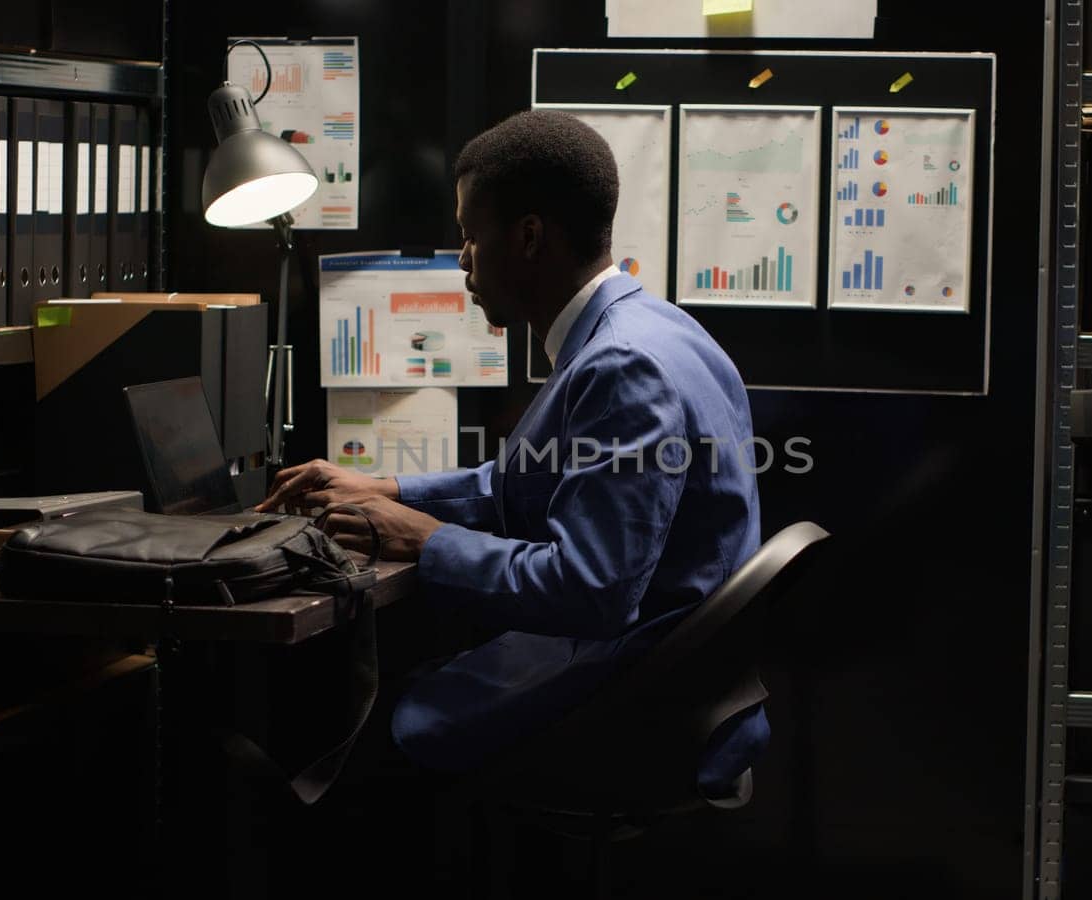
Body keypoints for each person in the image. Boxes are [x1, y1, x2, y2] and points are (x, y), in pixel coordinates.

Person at [258, 109, 768, 798]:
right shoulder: (657, 327)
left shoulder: (623, 366)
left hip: (638, 694)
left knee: (375, 725)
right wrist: (388, 491)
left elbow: (592, 589)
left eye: (471, 236)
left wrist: (429, 541)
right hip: (669, 672)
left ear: (528, 237)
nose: (463, 258)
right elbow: (527, 480)